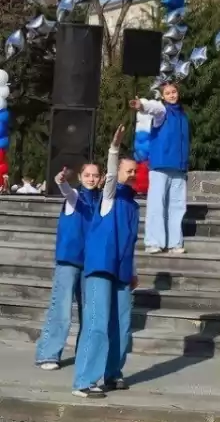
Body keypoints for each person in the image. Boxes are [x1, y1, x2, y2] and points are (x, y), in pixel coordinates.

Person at [72, 126, 137, 398]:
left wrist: (133, 270)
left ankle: (112, 373)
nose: (132, 174)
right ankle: (84, 381)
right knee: (97, 323)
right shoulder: (109, 197)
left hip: (121, 270)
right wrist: (114, 147)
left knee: (121, 325)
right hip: (100, 266)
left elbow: (129, 240)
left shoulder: (133, 204)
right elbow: (110, 176)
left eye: (134, 171)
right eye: (127, 170)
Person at [35, 162, 101, 370]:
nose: (91, 179)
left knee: (89, 310)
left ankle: (85, 352)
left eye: (95, 175)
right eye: (87, 175)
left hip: (91, 263)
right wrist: (60, 181)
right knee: (61, 309)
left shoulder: (102, 202)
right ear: (80, 177)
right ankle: (48, 353)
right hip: (69, 261)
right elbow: (66, 190)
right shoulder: (74, 197)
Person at [131, 85, 189, 254]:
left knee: (177, 206)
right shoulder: (162, 111)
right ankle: (154, 242)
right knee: (157, 205)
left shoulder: (182, 115)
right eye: (168, 93)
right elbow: (152, 108)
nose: (172, 95)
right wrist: (141, 105)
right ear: (163, 96)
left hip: (178, 166)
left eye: (174, 92)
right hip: (160, 165)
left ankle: (174, 242)